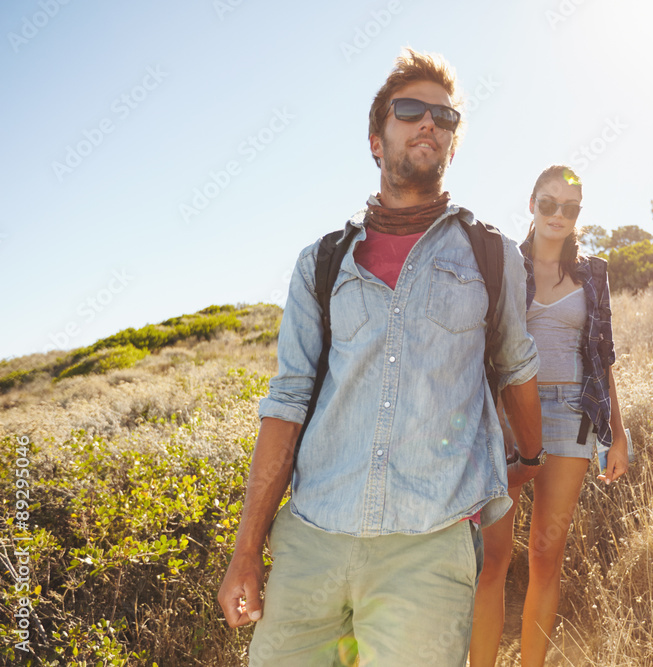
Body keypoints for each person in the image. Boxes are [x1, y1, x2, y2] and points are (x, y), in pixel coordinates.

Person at [217, 49, 545, 667]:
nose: (430, 122)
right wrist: (245, 553)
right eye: (411, 110)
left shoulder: (493, 255)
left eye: (444, 117)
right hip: (312, 539)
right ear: (376, 139)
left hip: (428, 550)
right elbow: (286, 404)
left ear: (453, 144)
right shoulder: (322, 262)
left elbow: (514, 367)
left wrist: (529, 458)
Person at [470, 165, 630, 666]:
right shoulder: (504, 268)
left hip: (573, 417)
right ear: (532, 204)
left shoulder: (594, 274)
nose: (558, 214)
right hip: (510, 418)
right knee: (492, 559)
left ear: (578, 213)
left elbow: (601, 358)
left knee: (545, 555)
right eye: (548, 203)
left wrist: (617, 435)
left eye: (570, 206)